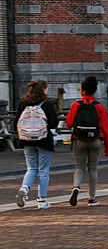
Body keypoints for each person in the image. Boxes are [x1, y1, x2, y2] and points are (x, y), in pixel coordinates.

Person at [65, 75, 108, 207]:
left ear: (82, 91)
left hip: (79, 140)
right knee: (93, 168)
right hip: (95, 140)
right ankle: (92, 198)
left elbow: (69, 123)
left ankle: (76, 187)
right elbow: (107, 129)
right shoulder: (99, 106)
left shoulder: (76, 105)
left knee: (79, 167)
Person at [13, 79, 58, 209]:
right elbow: (53, 123)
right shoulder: (47, 104)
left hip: (26, 139)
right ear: (44, 89)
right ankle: (42, 200)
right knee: (43, 171)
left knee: (31, 168)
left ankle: (24, 189)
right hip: (43, 140)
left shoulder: (23, 102)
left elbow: (17, 121)